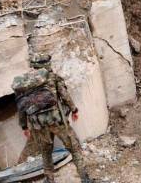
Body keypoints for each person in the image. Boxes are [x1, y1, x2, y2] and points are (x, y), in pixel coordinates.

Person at [11, 55, 92, 183]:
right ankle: (85, 178)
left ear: (33, 65)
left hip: (39, 125)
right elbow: (65, 96)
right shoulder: (53, 77)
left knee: (46, 152)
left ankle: (49, 179)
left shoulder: (24, 83)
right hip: (57, 121)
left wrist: (24, 126)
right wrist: (74, 110)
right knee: (74, 147)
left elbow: (21, 106)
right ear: (47, 64)